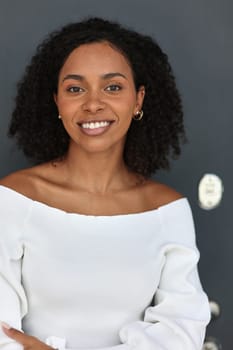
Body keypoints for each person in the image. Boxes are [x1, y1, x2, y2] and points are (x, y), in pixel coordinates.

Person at [0, 17, 210, 350]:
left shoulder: (167, 211)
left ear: (138, 100)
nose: (93, 103)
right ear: (56, 101)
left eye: (112, 87)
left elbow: (182, 333)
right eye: (75, 88)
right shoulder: (14, 200)